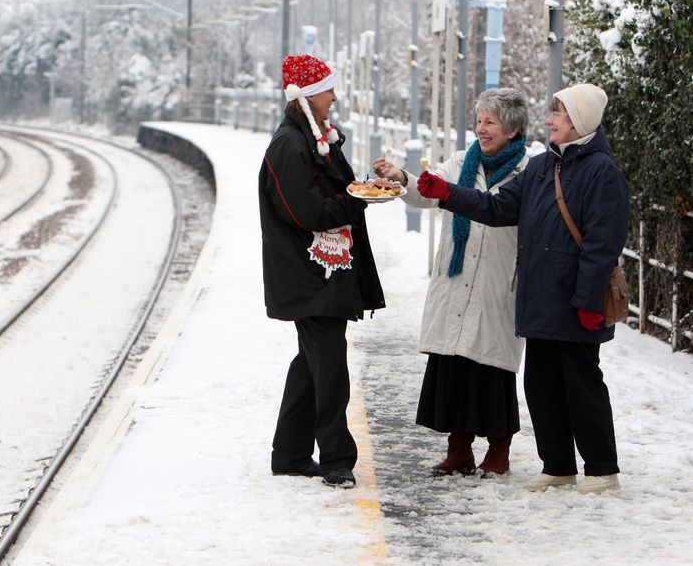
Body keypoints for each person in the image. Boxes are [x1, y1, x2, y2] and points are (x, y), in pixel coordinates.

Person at [416, 83, 629, 494]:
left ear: (580, 122)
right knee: (542, 385)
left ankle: (602, 469)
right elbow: (497, 207)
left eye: (558, 115)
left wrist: (588, 302)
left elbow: (603, 245)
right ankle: (558, 465)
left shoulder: (602, 172)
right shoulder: (542, 166)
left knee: (582, 386)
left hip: (576, 302)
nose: (549, 121)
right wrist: (448, 193)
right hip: (540, 299)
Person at [373, 88, 530, 477]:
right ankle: (458, 450)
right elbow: (428, 189)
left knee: (492, 369)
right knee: (455, 364)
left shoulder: (529, 170)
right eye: (478, 121)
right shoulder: (462, 162)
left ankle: (499, 451)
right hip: (456, 276)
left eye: (490, 122)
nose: (481, 129)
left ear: (511, 129)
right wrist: (401, 177)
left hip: (497, 281)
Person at [259, 54, 386, 488]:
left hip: (321, 272)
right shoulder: (289, 146)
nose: (335, 96)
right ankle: (337, 460)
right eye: (328, 89)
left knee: (311, 362)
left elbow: (326, 195)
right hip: (309, 276)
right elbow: (307, 211)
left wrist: (360, 187)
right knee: (329, 365)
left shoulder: (310, 140)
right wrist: (357, 199)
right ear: (308, 96)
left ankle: (290, 454)